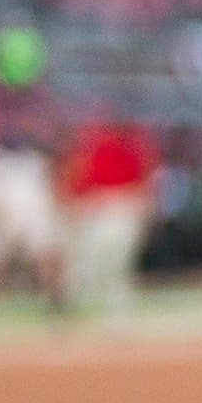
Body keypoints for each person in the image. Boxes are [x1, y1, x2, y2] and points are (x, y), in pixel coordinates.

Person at [60, 113, 157, 314]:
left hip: (121, 210)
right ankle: (79, 296)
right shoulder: (91, 147)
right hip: (91, 212)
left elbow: (145, 191)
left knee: (114, 244)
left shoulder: (134, 147)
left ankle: (114, 296)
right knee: (86, 258)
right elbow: (74, 189)